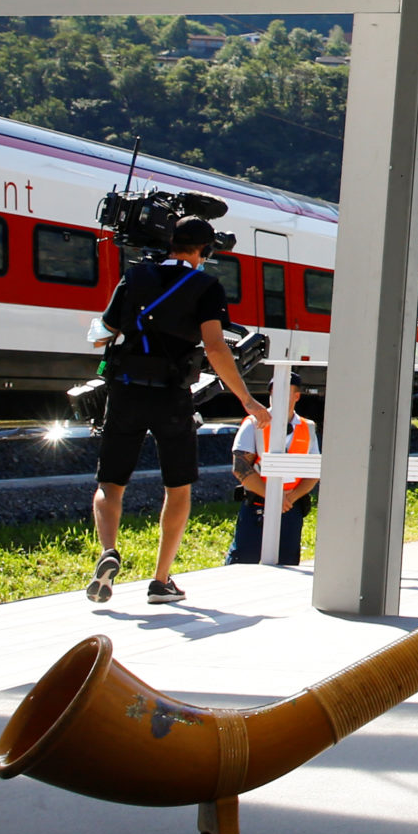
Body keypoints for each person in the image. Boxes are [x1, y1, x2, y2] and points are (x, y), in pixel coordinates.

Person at [84, 218, 265, 606]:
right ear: (204, 251)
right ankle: (161, 580)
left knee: (110, 483)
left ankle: (108, 552)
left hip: (126, 391)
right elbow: (216, 348)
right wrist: (247, 400)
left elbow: (105, 330)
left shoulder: (136, 276)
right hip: (172, 397)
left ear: (171, 244)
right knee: (177, 486)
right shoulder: (206, 286)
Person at [225, 393, 320, 566]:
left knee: (288, 562)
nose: (278, 395)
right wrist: (273, 497)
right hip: (258, 504)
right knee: (243, 561)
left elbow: (313, 471)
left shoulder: (308, 427)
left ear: (297, 395)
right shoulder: (253, 423)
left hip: (290, 507)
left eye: (285, 390)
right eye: (274, 391)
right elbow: (240, 468)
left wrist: (289, 499)